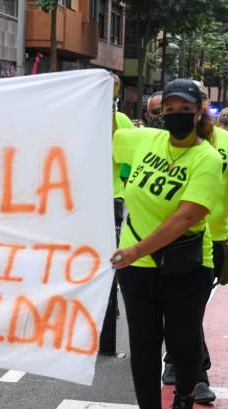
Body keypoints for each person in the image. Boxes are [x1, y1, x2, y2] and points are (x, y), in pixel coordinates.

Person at [111, 79, 221, 409]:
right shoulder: (144, 141)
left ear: (199, 111)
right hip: (137, 265)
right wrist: (100, 91)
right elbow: (102, 130)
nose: (176, 115)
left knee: (182, 341)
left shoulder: (207, 158)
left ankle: (186, 394)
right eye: (169, 109)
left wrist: (136, 249)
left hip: (186, 265)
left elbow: (186, 216)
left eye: (184, 108)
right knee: (143, 342)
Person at [160, 82, 228, 404]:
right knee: (180, 308)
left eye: (195, 104)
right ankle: (195, 371)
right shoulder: (169, 142)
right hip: (172, 237)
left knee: (189, 310)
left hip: (215, 237)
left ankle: (178, 361)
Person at [99, 74, 133, 358]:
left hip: (111, 198)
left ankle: (109, 304)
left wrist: (109, 105)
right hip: (80, 199)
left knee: (109, 255)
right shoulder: (78, 117)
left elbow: (125, 160)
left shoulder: (120, 120)